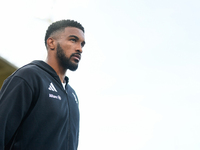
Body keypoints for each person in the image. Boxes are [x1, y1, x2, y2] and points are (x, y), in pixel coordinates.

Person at [0, 19, 85, 150]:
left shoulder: (72, 95)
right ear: (51, 43)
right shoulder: (28, 77)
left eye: (82, 44)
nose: (79, 48)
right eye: (73, 40)